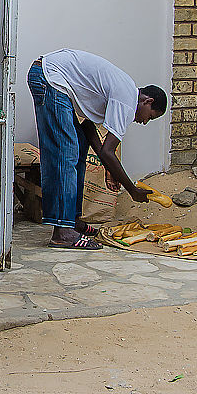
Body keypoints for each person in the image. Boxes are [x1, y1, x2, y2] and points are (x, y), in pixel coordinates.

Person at [27, 48, 167, 250]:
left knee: (79, 146)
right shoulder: (127, 100)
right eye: (150, 116)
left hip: (50, 75)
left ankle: (71, 220)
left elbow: (88, 128)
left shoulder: (122, 91)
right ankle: (62, 232)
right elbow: (107, 152)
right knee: (65, 154)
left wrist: (110, 169)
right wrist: (132, 191)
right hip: (50, 78)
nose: (144, 122)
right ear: (148, 101)